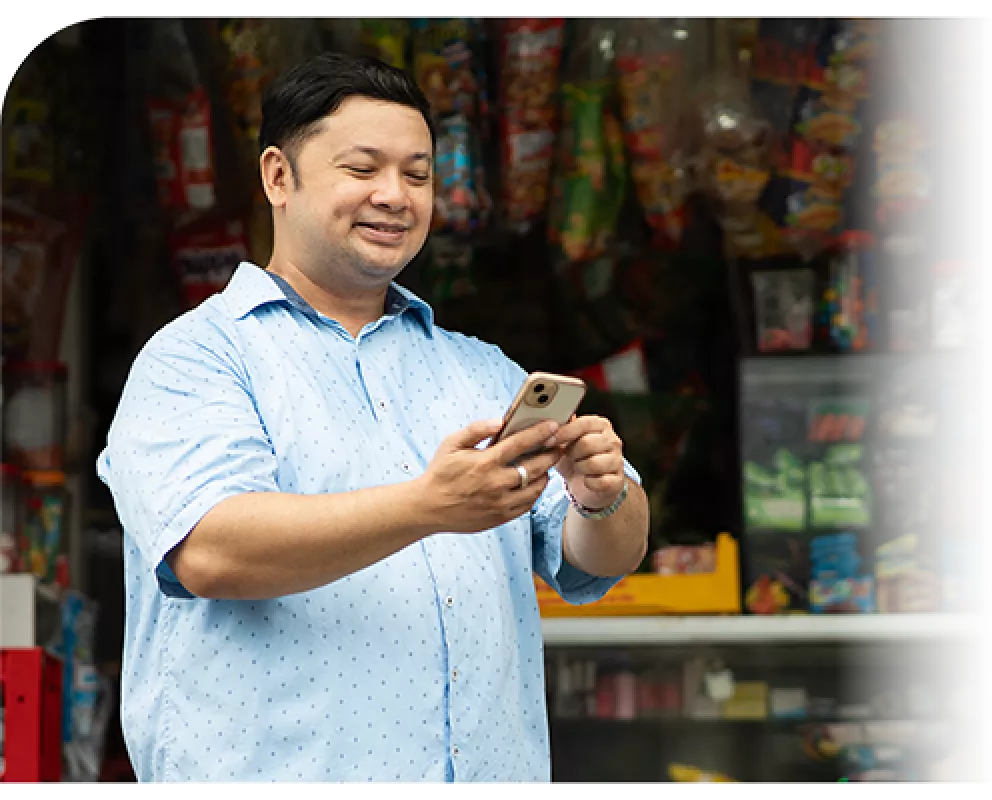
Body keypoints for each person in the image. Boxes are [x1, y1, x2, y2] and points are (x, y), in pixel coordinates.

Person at [97, 52, 649, 784]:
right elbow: (209, 550)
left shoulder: (480, 370)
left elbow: (605, 556)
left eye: (418, 174)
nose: (395, 196)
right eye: (363, 169)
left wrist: (601, 492)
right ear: (278, 177)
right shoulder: (197, 358)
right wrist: (428, 507)